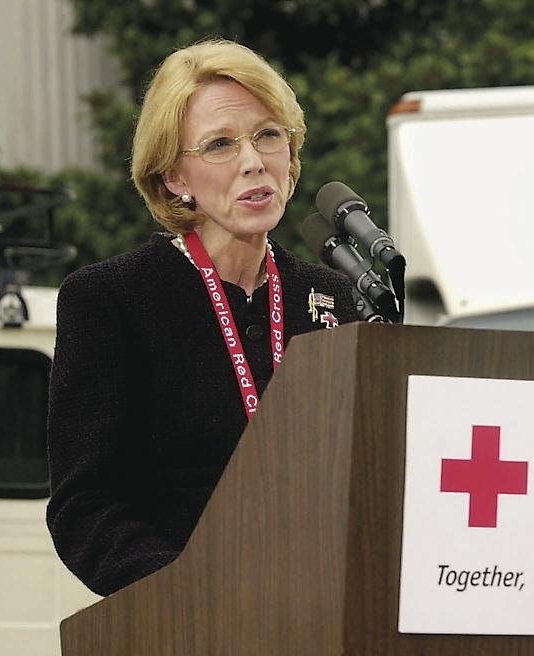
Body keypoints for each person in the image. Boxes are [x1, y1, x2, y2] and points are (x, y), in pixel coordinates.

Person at [46, 39, 359, 596]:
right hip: (188, 619)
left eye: (269, 134)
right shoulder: (109, 300)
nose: (253, 160)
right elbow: (85, 507)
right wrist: (191, 591)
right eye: (219, 144)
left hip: (325, 606)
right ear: (174, 178)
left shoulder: (336, 297)